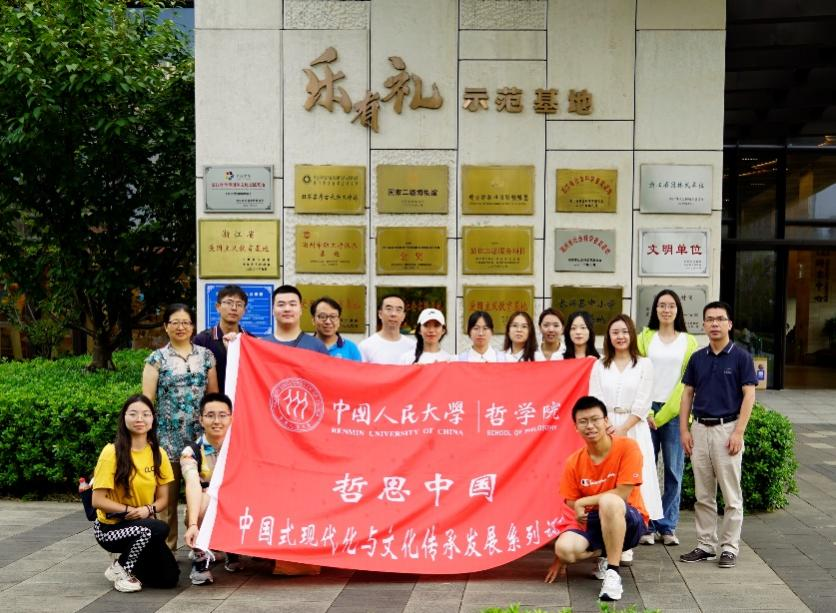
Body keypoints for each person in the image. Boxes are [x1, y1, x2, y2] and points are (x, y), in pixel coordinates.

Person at [544, 396, 649, 602]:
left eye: (595, 419)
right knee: (564, 549)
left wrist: (584, 502)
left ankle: (613, 573)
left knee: (609, 502)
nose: (590, 426)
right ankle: (606, 553)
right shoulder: (574, 462)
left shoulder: (628, 447)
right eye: (583, 421)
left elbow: (622, 493)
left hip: (629, 520)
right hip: (594, 522)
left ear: (606, 421)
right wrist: (561, 558)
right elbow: (571, 502)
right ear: (576, 427)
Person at [679, 301, 757, 569]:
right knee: (703, 494)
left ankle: (729, 547)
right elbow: (687, 394)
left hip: (727, 430)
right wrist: (684, 430)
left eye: (720, 319)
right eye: (709, 319)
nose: (714, 323)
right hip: (700, 429)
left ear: (730, 324)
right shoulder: (697, 358)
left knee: (731, 495)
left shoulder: (741, 357)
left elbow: (749, 395)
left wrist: (738, 432)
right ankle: (705, 545)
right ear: (703, 324)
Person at [142, 303, 218, 550]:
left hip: (200, 441)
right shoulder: (156, 359)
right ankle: (167, 550)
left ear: (193, 326)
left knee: (204, 495)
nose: (180, 327)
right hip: (167, 440)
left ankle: (202, 548)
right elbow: (147, 401)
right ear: (166, 326)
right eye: (175, 322)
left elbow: (213, 398)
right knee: (167, 499)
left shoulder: (206, 356)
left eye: (185, 322)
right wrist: (146, 437)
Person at [589, 314, 663, 566]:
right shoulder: (600, 365)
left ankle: (627, 542)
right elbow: (595, 398)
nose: (620, 336)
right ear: (608, 337)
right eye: (615, 332)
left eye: (624, 332)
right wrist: (607, 426)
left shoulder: (644, 364)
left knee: (631, 483)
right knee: (606, 482)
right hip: (604, 429)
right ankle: (606, 544)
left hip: (634, 429)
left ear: (631, 334)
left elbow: (643, 401)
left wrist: (623, 428)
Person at [91, 395, 178, 593]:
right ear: (124, 418)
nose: (140, 419)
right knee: (158, 528)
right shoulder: (111, 452)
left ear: (153, 419)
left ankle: (134, 562)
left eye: (146, 414)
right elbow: (97, 500)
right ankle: (121, 569)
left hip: (144, 521)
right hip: (110, 528)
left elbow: (163, 499)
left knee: (169, 579)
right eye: (133, 414)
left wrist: (147, 510)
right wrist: (130, 510)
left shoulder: (159, 454)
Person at [636, 289, 698, 546]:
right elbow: (638, 375)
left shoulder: (689, 342)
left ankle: (668, 525)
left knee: (674, 470)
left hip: (675, 412)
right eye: (661, 305)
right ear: (655, 309)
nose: (666, 309)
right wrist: (648, 411)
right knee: (645, 470)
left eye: (671, 305)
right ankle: (647, 524)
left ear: (678, 310)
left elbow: (687, 384)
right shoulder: (644, 338)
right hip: (644, 411)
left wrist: (662, 416)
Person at [182, 393, 242, 585]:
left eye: (222, 415)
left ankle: (233, 550)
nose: (217, 421)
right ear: (201, 419)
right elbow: (192, 484)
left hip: (235, 502)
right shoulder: (191, 452)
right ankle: (200, 561)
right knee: (203, 500)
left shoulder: (242, 447)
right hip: (206, 504)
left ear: (231, 418)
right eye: (210, 415)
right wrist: (192, 524)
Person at [194, 285, 250, 394]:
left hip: (243, 400)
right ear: (218, 307)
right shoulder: (202, 340)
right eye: (229, 303)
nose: (234, 308)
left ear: (244, 310)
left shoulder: (251, 340)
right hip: (213, 402)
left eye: (239, 304)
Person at [261, 285, 328, 354]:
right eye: (281, 305)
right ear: (273, 310)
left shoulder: (316, 346)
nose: (287, 309)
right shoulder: (261, 345)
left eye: (292, 304)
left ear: (300, 310)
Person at [359, 293, 416, 364]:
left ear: (403, 316)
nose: (393, 314)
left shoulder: (413, 347)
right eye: (389, 309)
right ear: (380, 314)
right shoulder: (366, 346)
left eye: (398, 310)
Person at [310, 296, 362, 361]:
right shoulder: (303, 347)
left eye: (333, 317)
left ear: (339, 321)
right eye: (322, 316)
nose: (328, 322)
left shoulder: (351, 349)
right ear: (313, 320)